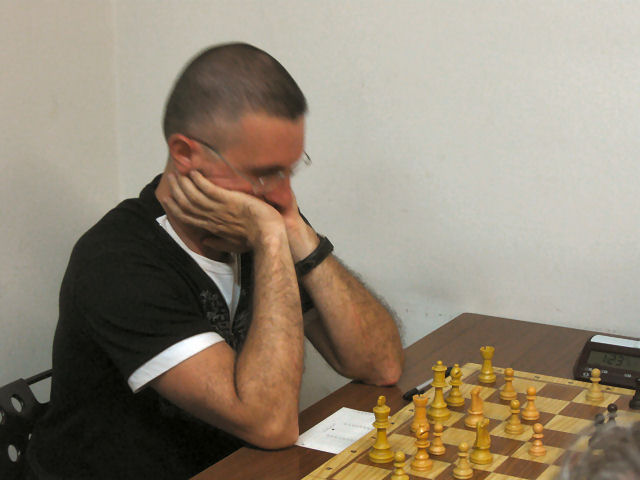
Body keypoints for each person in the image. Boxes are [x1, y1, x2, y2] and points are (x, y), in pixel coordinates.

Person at [26, 42, 404, 479]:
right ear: (186, 155)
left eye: (289, 169)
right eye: (263, 172)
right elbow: (271, 423)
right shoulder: (116, 260)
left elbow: (381, 364)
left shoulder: (262, 218)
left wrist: (297, 231)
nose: (283, 193)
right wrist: (270, 238)